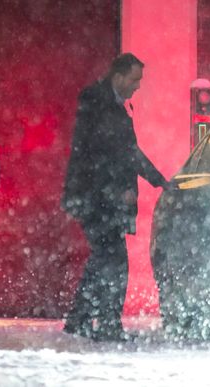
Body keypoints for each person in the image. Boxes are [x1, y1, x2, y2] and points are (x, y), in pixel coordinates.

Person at [61, 53, 171, 341]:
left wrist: (157, 180)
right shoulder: (100, 104)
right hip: (98, 199)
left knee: (105, 260)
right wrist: (115, 187)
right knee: (113, 261)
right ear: (119, 76)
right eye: (135, 80)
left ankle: (82, 319)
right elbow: (106, 152)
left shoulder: (112, 105)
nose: (137, 86)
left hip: (101, 198)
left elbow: (125, 151)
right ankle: (102, 321)